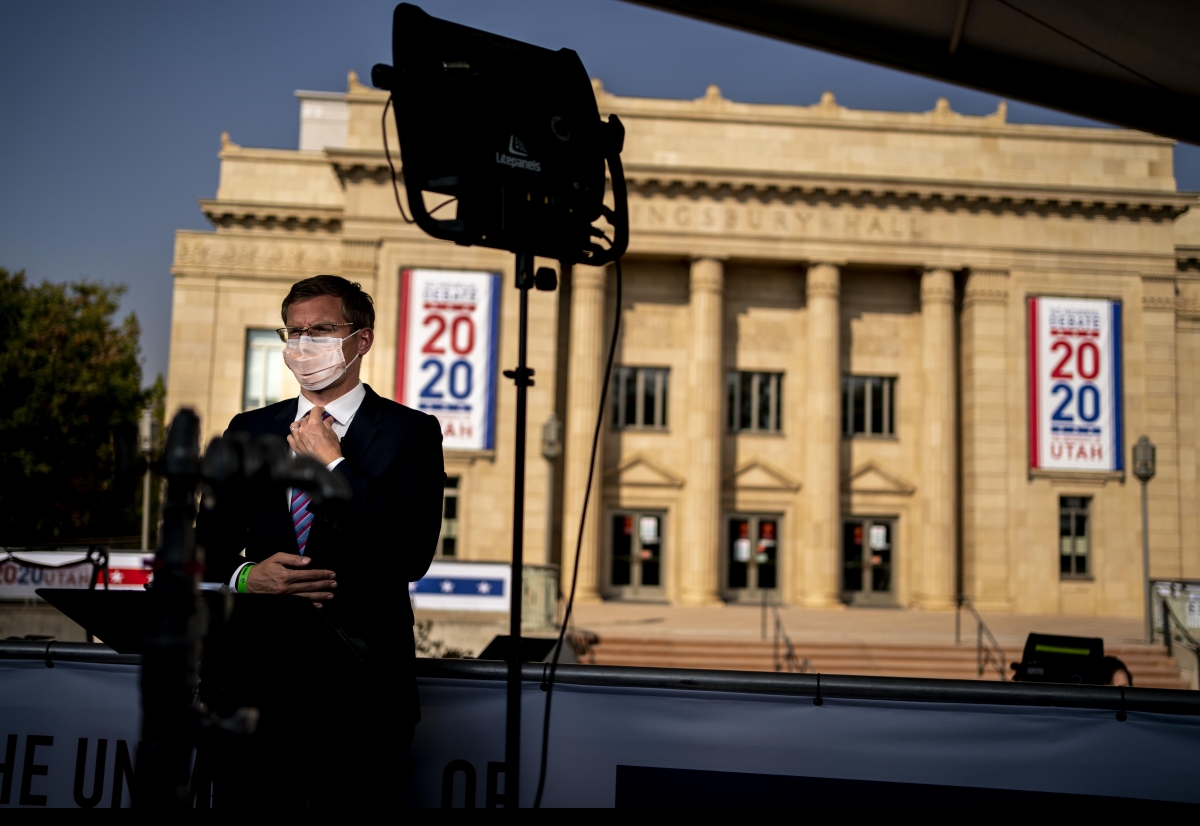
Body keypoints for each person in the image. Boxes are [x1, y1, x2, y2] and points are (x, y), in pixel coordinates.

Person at [196, 274, 444, 808]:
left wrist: (333, 465)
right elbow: (203, 551)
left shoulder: (412, 433)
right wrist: (246, 576)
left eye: (322, 329)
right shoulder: (249, 429)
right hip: (252, 690)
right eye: (294, 331)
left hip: (361, 698)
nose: (304, 344)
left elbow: (410, 553)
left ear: (362, 340)